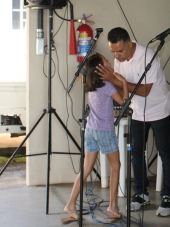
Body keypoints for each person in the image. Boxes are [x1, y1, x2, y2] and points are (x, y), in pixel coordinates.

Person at [96, 27, 170, 217]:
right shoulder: (118, 60)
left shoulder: (148, 56)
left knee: (165, 151)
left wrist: (115, 81)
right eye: (113, 51)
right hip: (137, 111)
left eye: (120, 51)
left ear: (130, 44)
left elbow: (144, 90)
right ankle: (141, 194)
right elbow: (120, 85)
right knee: (136, 152)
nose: (116, 55)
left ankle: (168, 196)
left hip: (158, 109)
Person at [62, 53, 127, 223]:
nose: (109, 62)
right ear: (100, 68)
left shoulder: (91, 86)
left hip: (91, 130)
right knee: (116, 166)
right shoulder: (107, 85)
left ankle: (70, 204)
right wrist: (124, 84)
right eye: (106, 61)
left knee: (86, 168)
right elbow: (123, 102)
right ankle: (113, 206)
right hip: (105, 131)